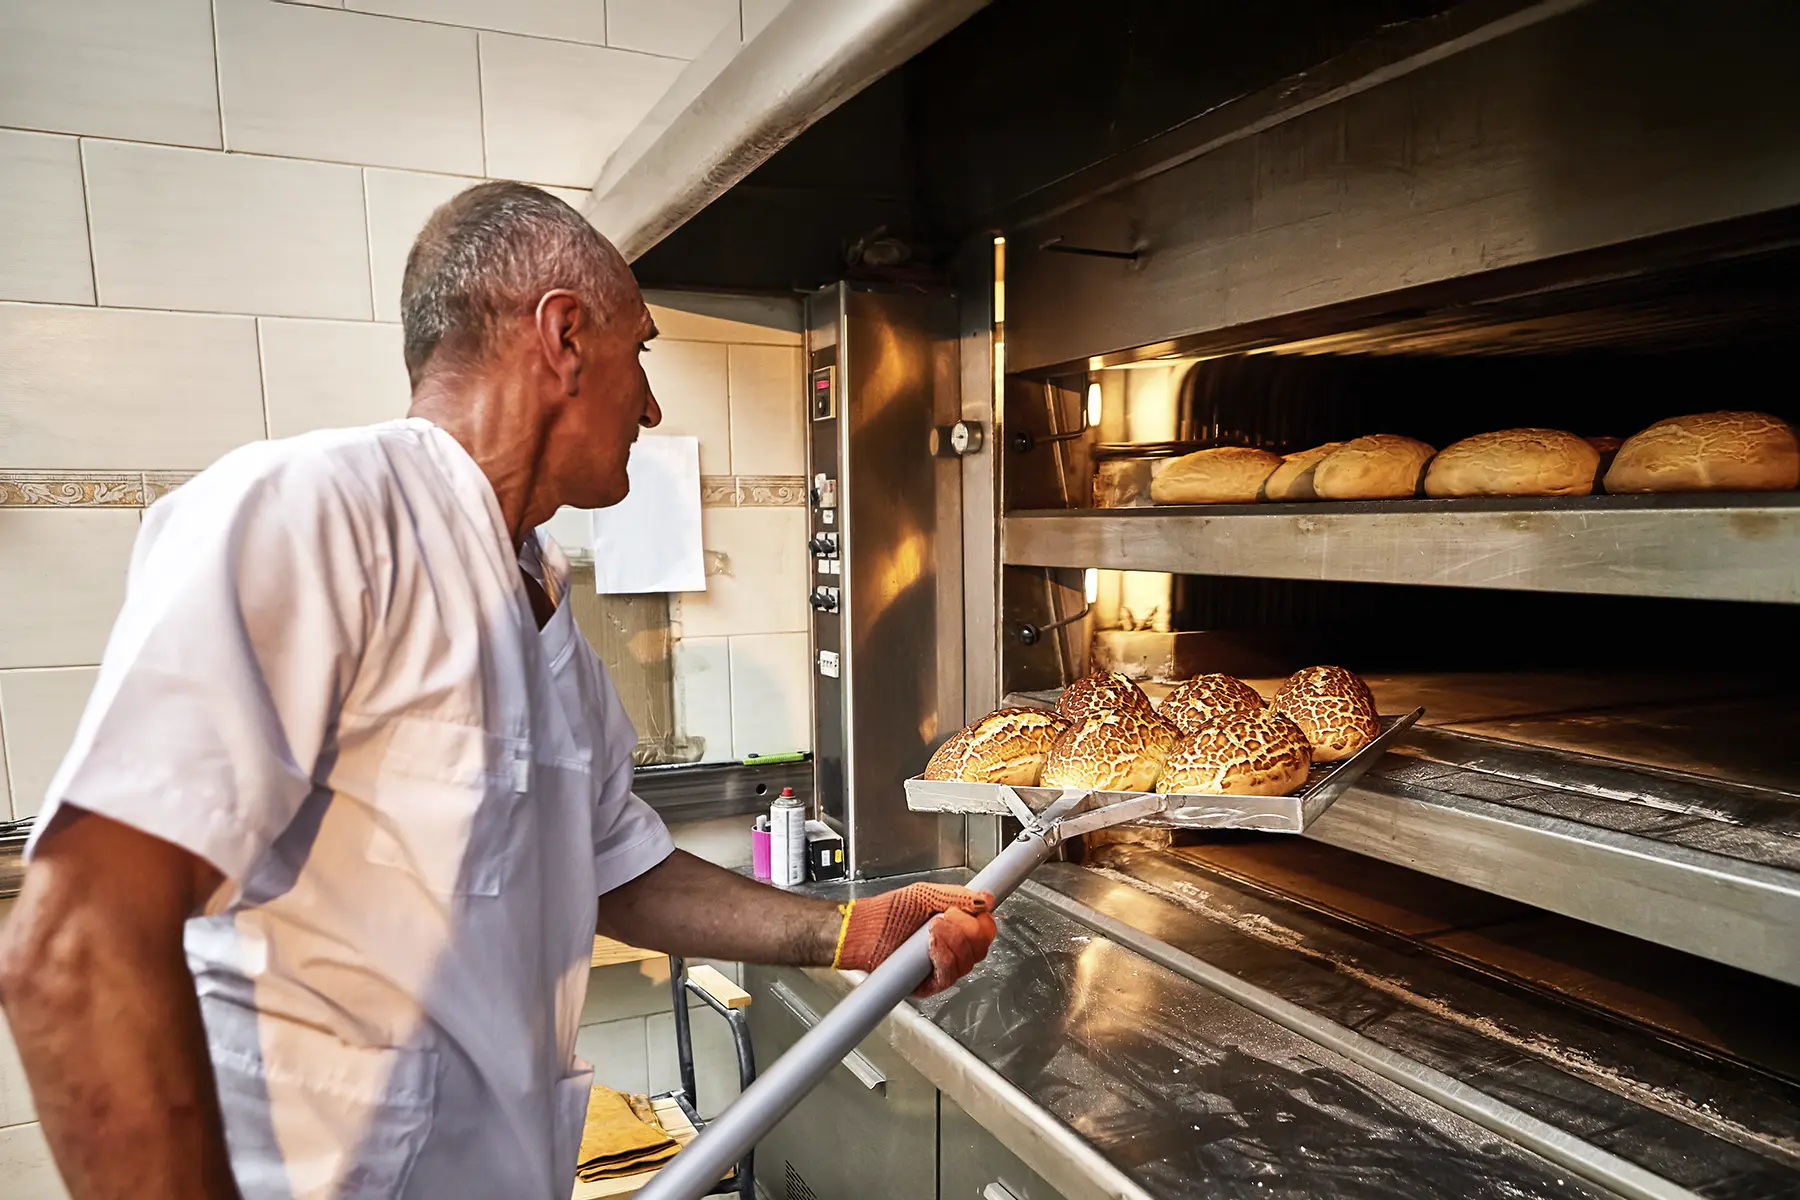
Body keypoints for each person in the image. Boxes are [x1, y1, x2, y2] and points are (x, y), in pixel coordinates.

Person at [0, 182, 997, 1200]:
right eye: (640, 351)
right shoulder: (318, 515)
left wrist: (849, 932)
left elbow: (612, 868)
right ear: (563, 336)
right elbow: (77, 947)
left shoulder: (537, 589)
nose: (652, 407)